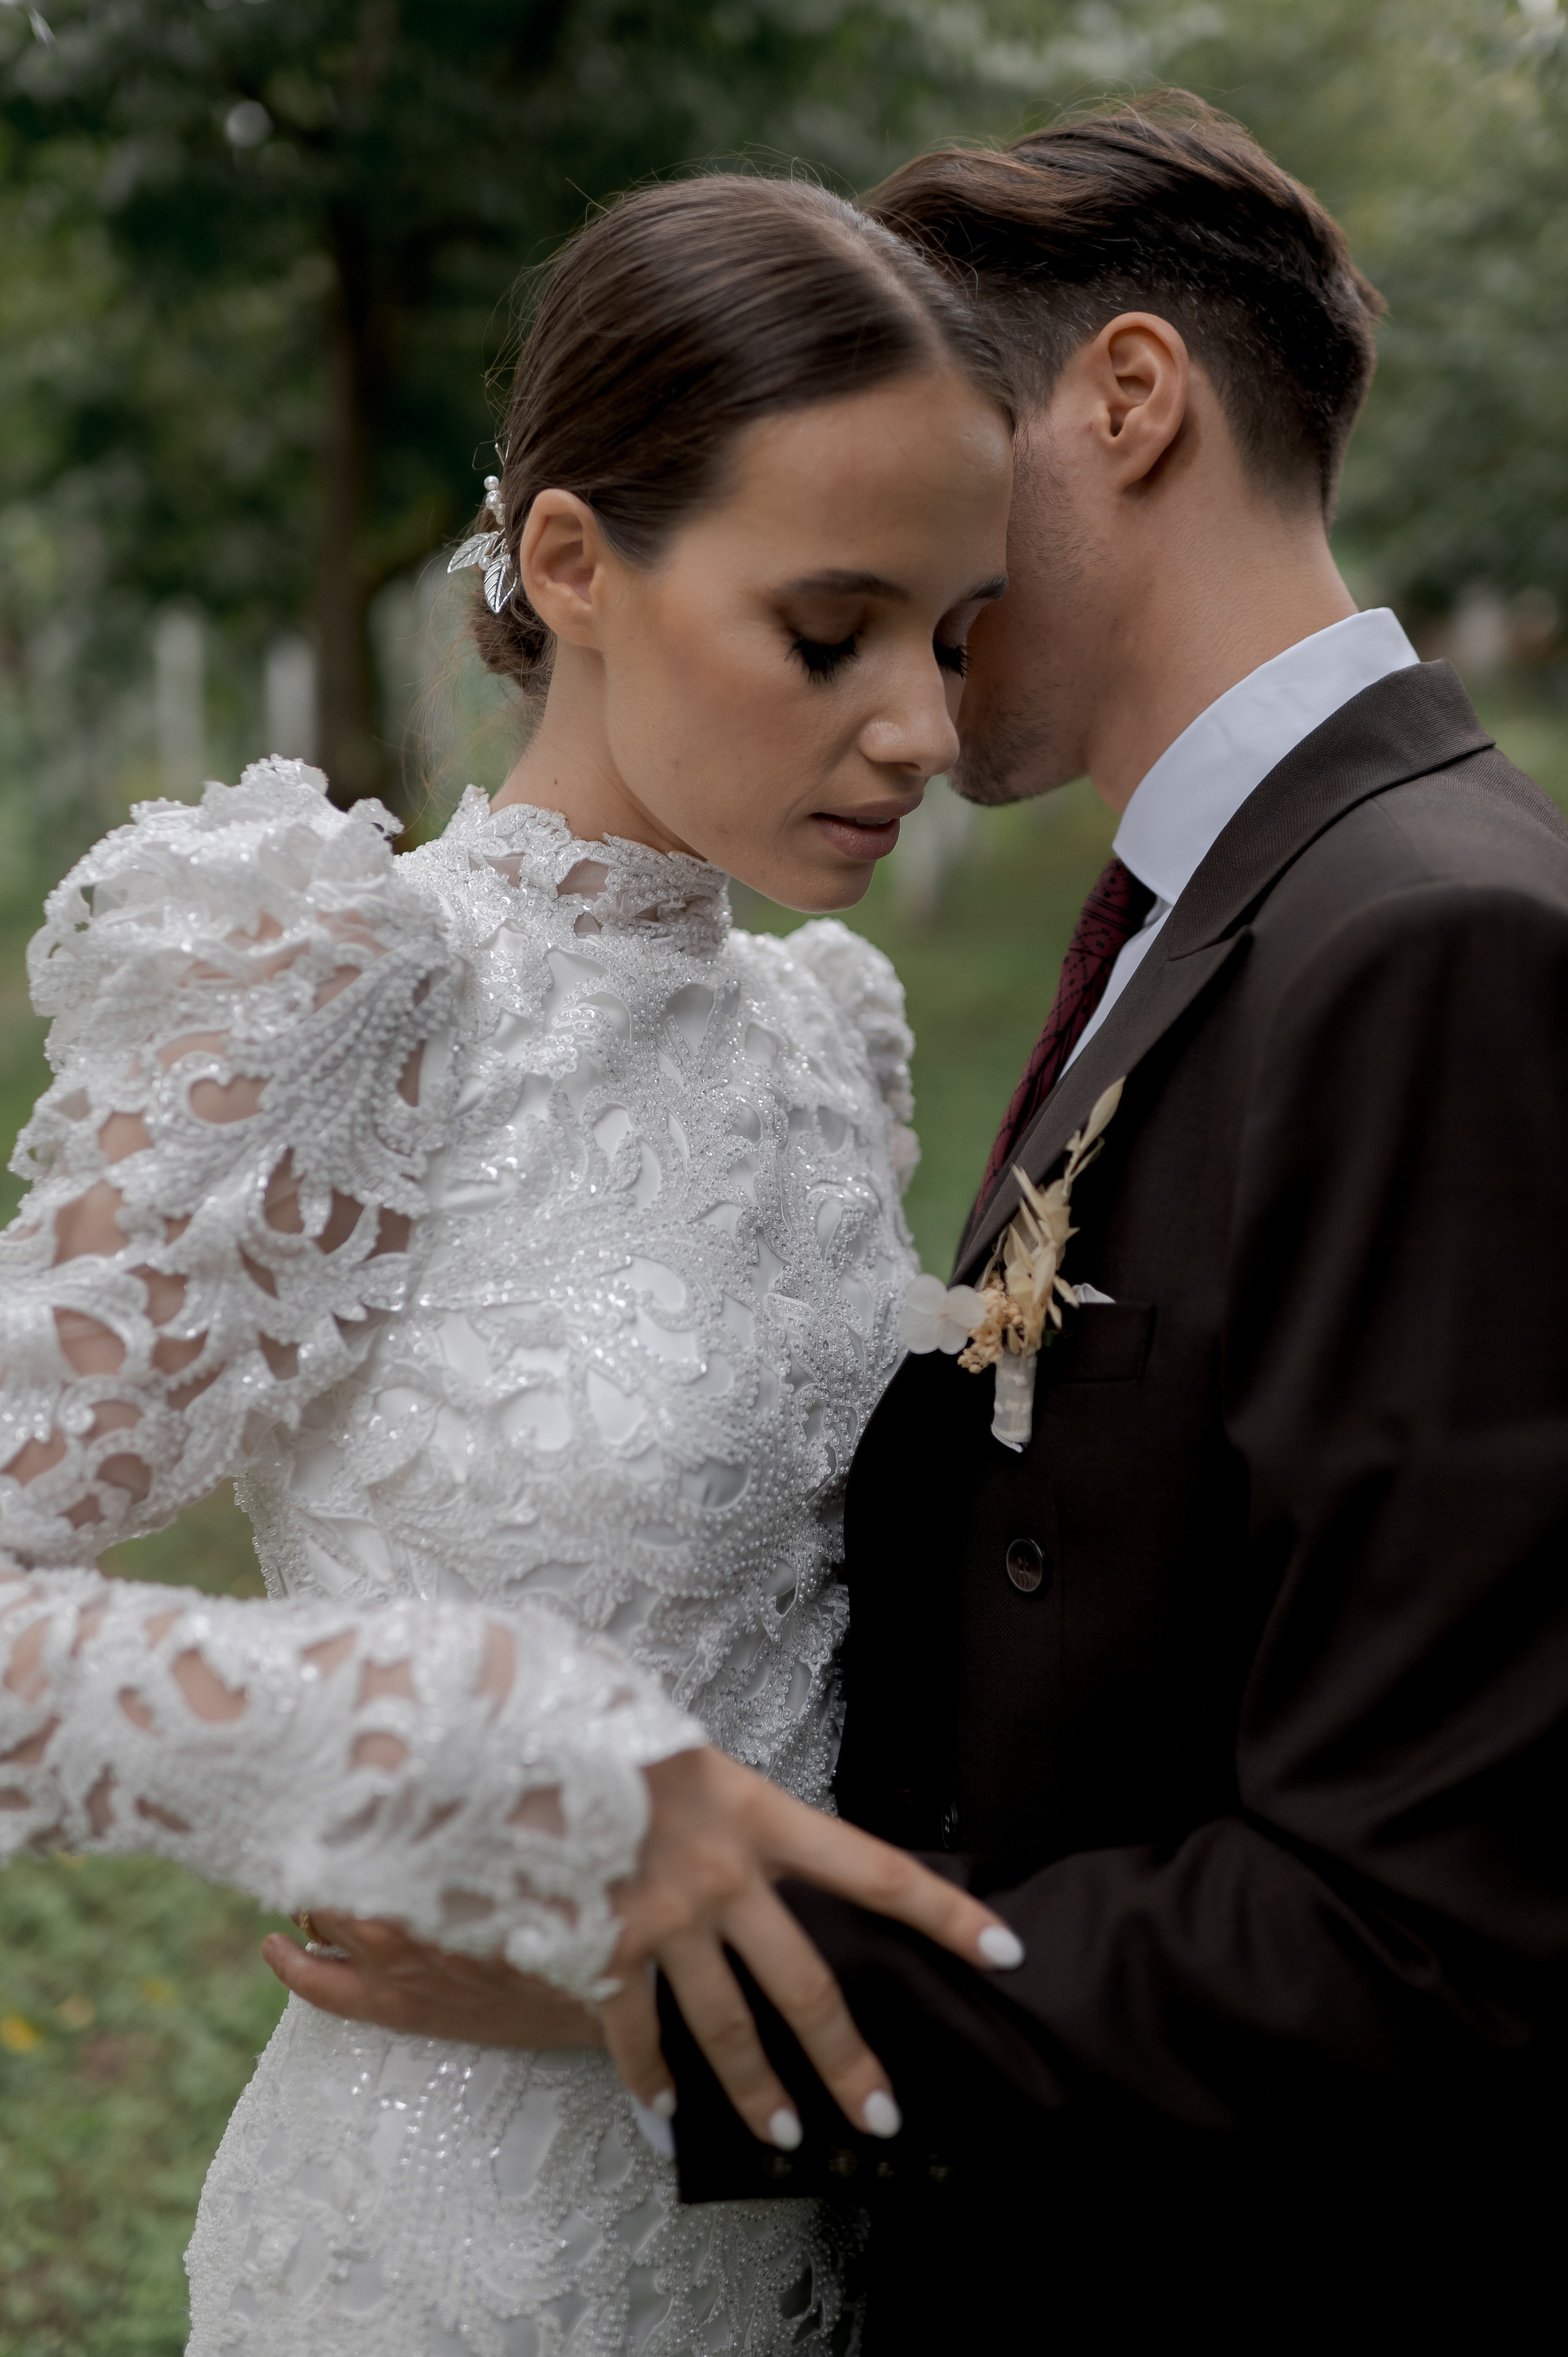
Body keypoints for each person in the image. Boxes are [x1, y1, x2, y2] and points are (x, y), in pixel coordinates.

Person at [292, 97, 1568, 2346]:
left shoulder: (1427, 944)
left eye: (933, 464)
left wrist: (654, 1978)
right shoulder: (1223, 908)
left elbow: (1428, 1922)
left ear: (1131, 398)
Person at [0, 172, 1028, 2355]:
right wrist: (491, 1738)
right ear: (570, 564)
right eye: (832, 632)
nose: (928, 732)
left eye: (954, 636)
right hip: (447, 2260)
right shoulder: (340, 989)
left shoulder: (826, 1036)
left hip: (800, 2224)